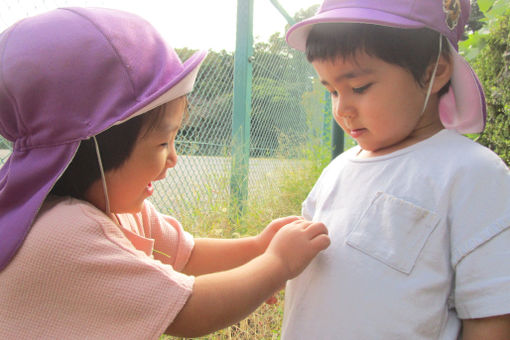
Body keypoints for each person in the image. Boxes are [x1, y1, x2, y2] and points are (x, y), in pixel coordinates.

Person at [0, 7, 330, 339]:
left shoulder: (119, 208)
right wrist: (276, 264)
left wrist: (257, 248)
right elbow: (189, 311)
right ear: (96, 146)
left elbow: (186, 256)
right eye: (162, 143)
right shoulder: (62, 233)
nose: (174, 158)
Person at [282, 0, 510, 339]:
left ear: (437, 70)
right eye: (331, 91)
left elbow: (491, 316)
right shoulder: (338, 170)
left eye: (358, 87)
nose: (342, 108)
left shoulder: (472, 174)